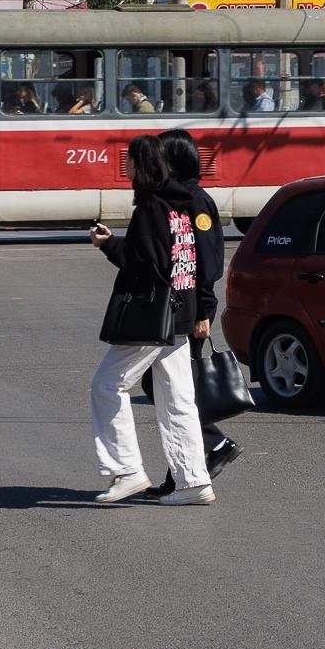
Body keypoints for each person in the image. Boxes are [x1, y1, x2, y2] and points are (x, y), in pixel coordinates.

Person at [86, 135, 213, 506]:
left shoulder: (151, 207)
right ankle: (193, 481)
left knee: (107, 385)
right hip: (180, 312)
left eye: (129, 161)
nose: (125, 167)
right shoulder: (180, 203)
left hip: (152, 316)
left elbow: (146, 264)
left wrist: (108, 244)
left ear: (142, 166)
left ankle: (126, 470)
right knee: (177, 398)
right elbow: (181, 260)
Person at [144, 128, 243, 499]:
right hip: (176, 308)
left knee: (175, 390)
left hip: (192, 310)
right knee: (170, 389)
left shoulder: (196, 201)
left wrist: (204, 309)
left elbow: (207, 260)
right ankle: (185, 468)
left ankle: (210, 446)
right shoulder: (177, 197)